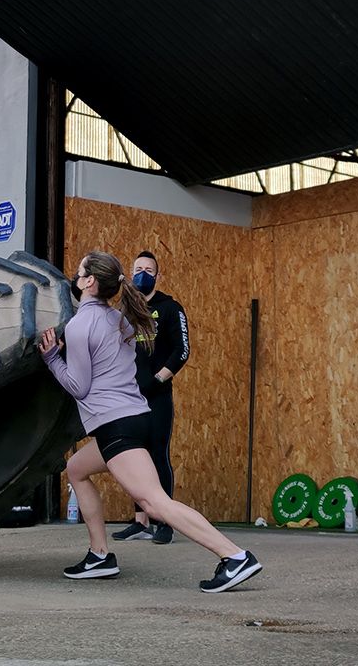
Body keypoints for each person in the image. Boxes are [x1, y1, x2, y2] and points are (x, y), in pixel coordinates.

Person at [40, 251, 262, 593]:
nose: (76, 275)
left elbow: (79, 387)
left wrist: (53, 358)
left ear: (89, 282)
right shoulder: (119, 319)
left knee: (153, 502)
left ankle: (234, 557)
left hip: (117, 426)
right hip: (133, 419)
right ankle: (99, 555)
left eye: (80, 271)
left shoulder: (82, 324)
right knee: (77, 470)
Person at [111, 250, 189, 545]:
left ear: (158, 275)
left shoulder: (171, 308)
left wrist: (158, 380)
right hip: (129, 399)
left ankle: (165, 523)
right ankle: (140, 521)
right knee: (134, 460)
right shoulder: (125, 311)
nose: (142, 273)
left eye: (148, 269)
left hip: (156, 398)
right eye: (138, 268)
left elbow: (182, 351)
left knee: (158, 456)